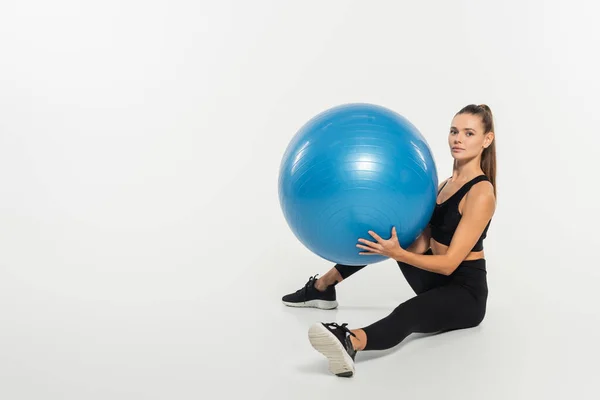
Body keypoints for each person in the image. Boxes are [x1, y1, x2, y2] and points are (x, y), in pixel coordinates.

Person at [281, 104, 497, 378]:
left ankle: (351, 341)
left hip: (465, 292)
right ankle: (323, 287)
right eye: (454, 131)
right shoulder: (444, 185)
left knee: (409, 312)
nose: (458, 139)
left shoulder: (481, 192)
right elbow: (421, 244)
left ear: (486, 140)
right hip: (433, 281)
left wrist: (396, 253)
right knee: (383, 234)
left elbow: (449, 264)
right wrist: (393, 246)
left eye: (469, 133)